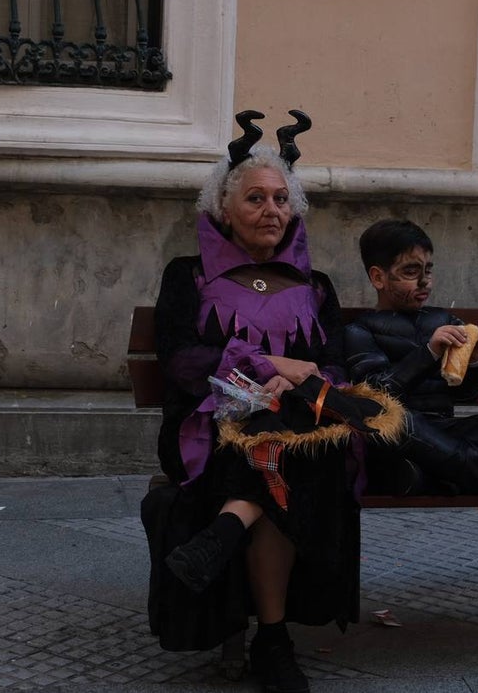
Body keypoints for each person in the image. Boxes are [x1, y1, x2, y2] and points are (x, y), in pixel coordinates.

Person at [141, 110, 390, 693]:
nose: (271, 210)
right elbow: (180, 361)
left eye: (281, 199)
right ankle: (272, 642)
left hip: (296, 424)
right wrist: (269, 366)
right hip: (212, 425)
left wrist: (295, 383)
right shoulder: (188, 276)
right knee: (277, 456)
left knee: (291, 444)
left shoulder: (316, 286)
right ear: (224, 209)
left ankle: (227, 532)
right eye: (255, 199)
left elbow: (331, 365)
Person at [343, 219, 478, 496]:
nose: (424, 281)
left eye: (428, 270)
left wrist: (476, 360)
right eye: (410, 271)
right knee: (393, 420)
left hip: (445, 432)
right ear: (378, 278)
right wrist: (429, 353)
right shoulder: (359, 331)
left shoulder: (445, 320)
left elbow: (468, 393)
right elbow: (375, 396)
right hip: (400, 434)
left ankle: (434, 475)